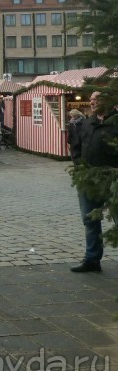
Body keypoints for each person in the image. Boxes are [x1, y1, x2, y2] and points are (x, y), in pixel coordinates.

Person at [71, 91, 118, 273]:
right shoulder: (87, 123)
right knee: (90, 220)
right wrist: (79, 167)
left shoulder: (115, 122)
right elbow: (76, 147)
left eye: (96, 99)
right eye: (90, 99)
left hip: (113, 181)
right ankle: (92, 259)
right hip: (88, 180)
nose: (91, 102)